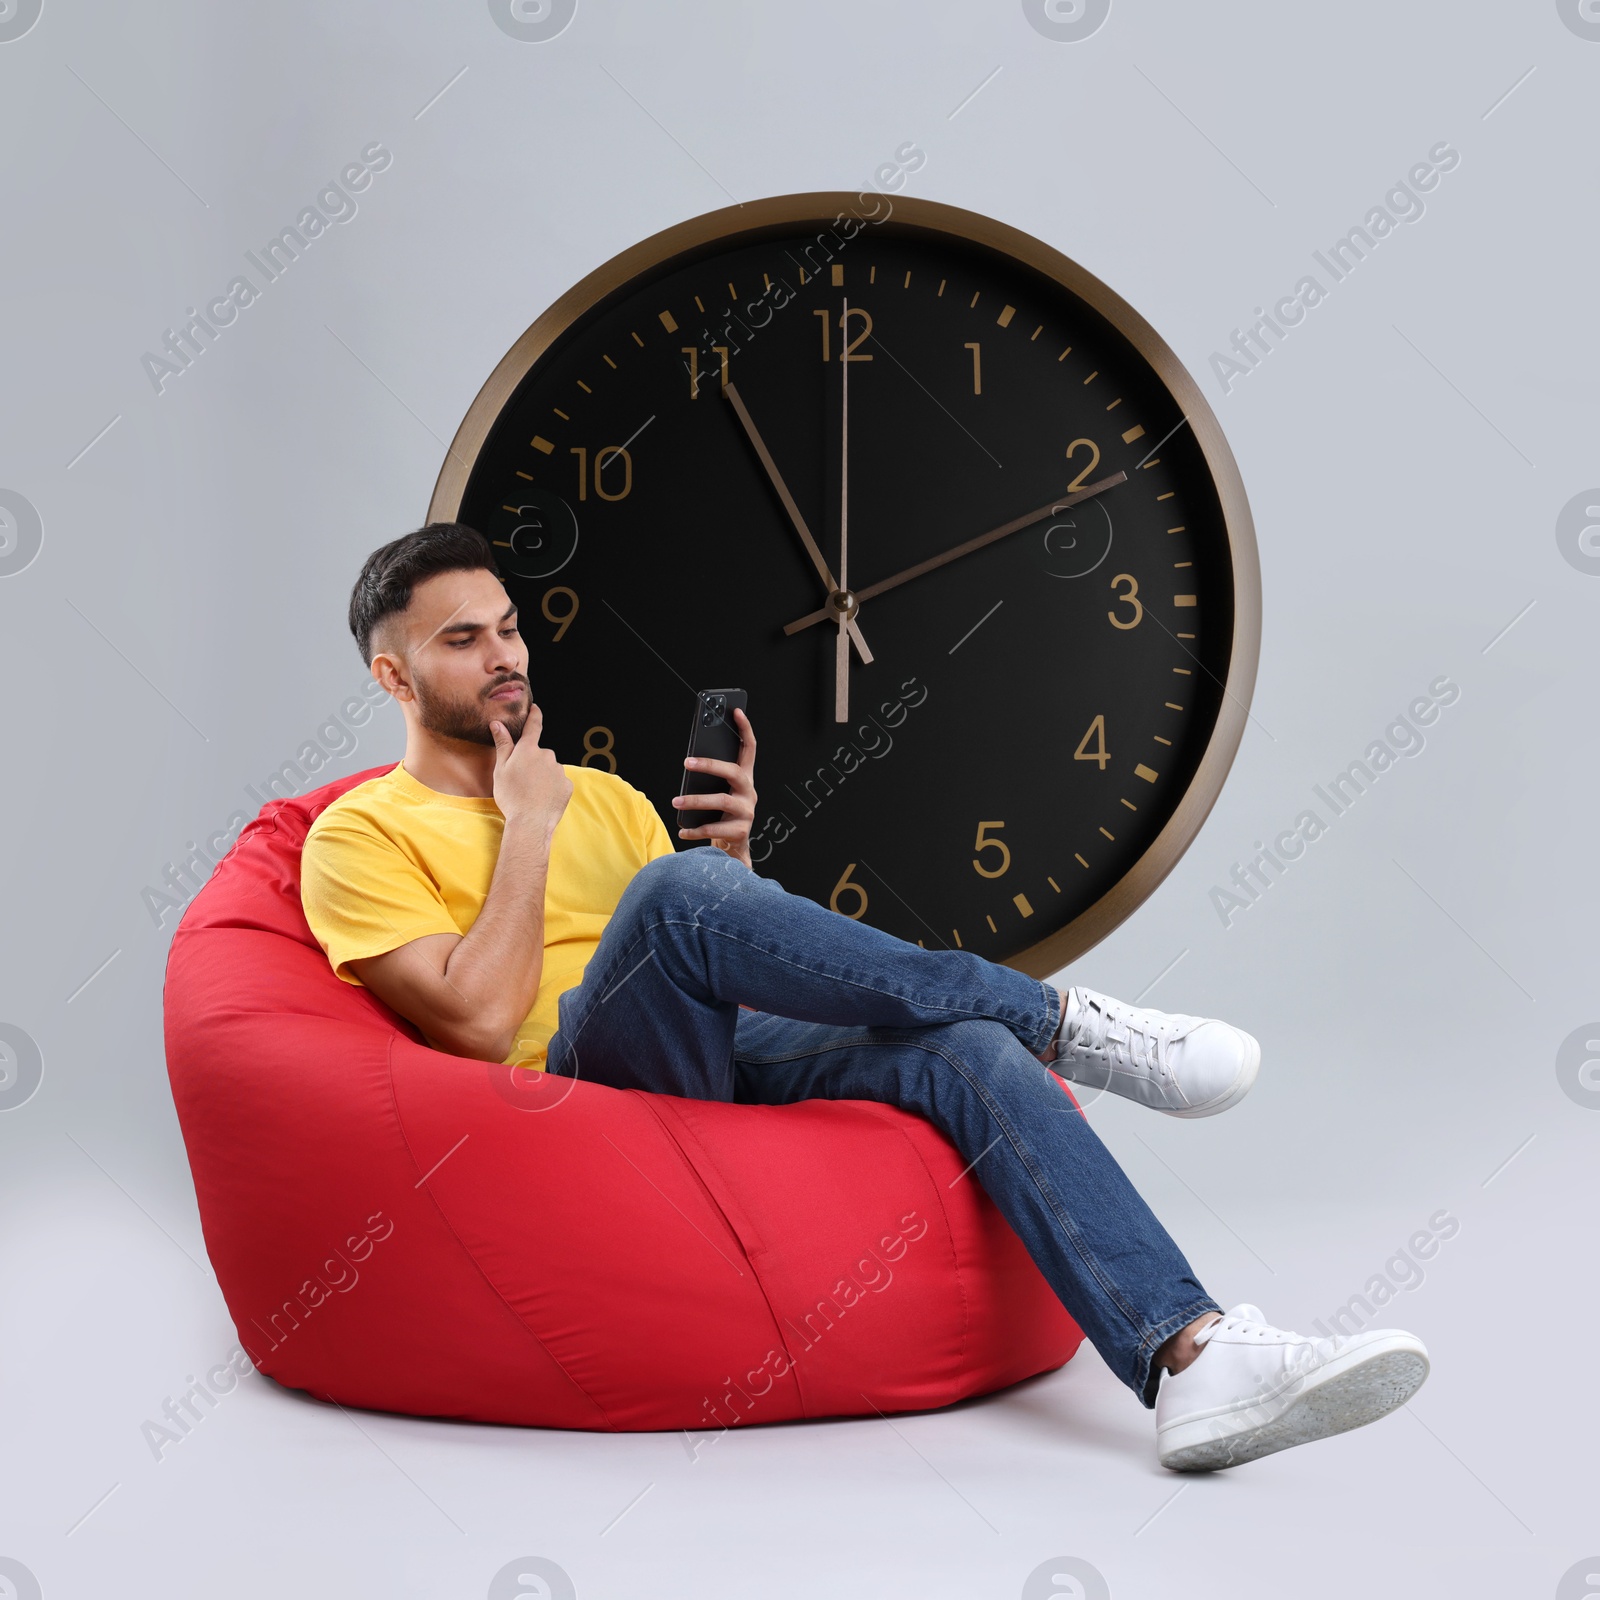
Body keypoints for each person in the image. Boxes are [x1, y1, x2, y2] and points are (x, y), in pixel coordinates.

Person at [300, 523, 1430, 1472]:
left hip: (713, 1056)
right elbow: (478, 1021)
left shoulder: (602, 795)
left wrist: (734, 864)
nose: (504, 656)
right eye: (462, 640)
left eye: (507, 625)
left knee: (967, 1048)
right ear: (392, 678)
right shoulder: (355, 834)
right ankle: (1068, 1021)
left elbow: (716, 961)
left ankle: (1190, 1357)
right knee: (677, 892)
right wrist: (530, 822)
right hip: (573, 1097)